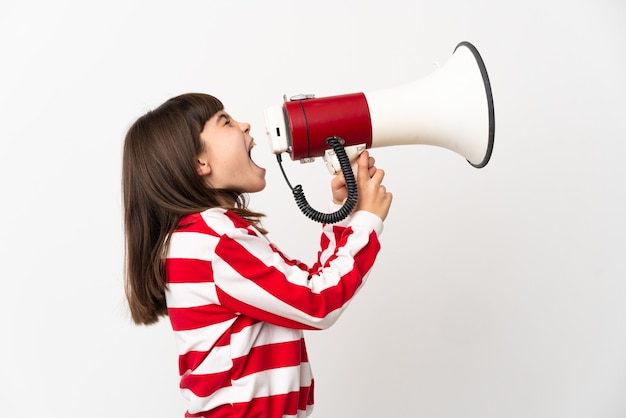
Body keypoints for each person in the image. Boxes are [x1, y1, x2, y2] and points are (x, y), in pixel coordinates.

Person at [122, 92, 392, 417]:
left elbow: (306, 286)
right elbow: (318, 302)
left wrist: (346, 212)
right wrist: (365, 222)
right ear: (199, 163)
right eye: (225, 122)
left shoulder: (206, 236)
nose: (245, 125)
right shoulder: (213, 241)